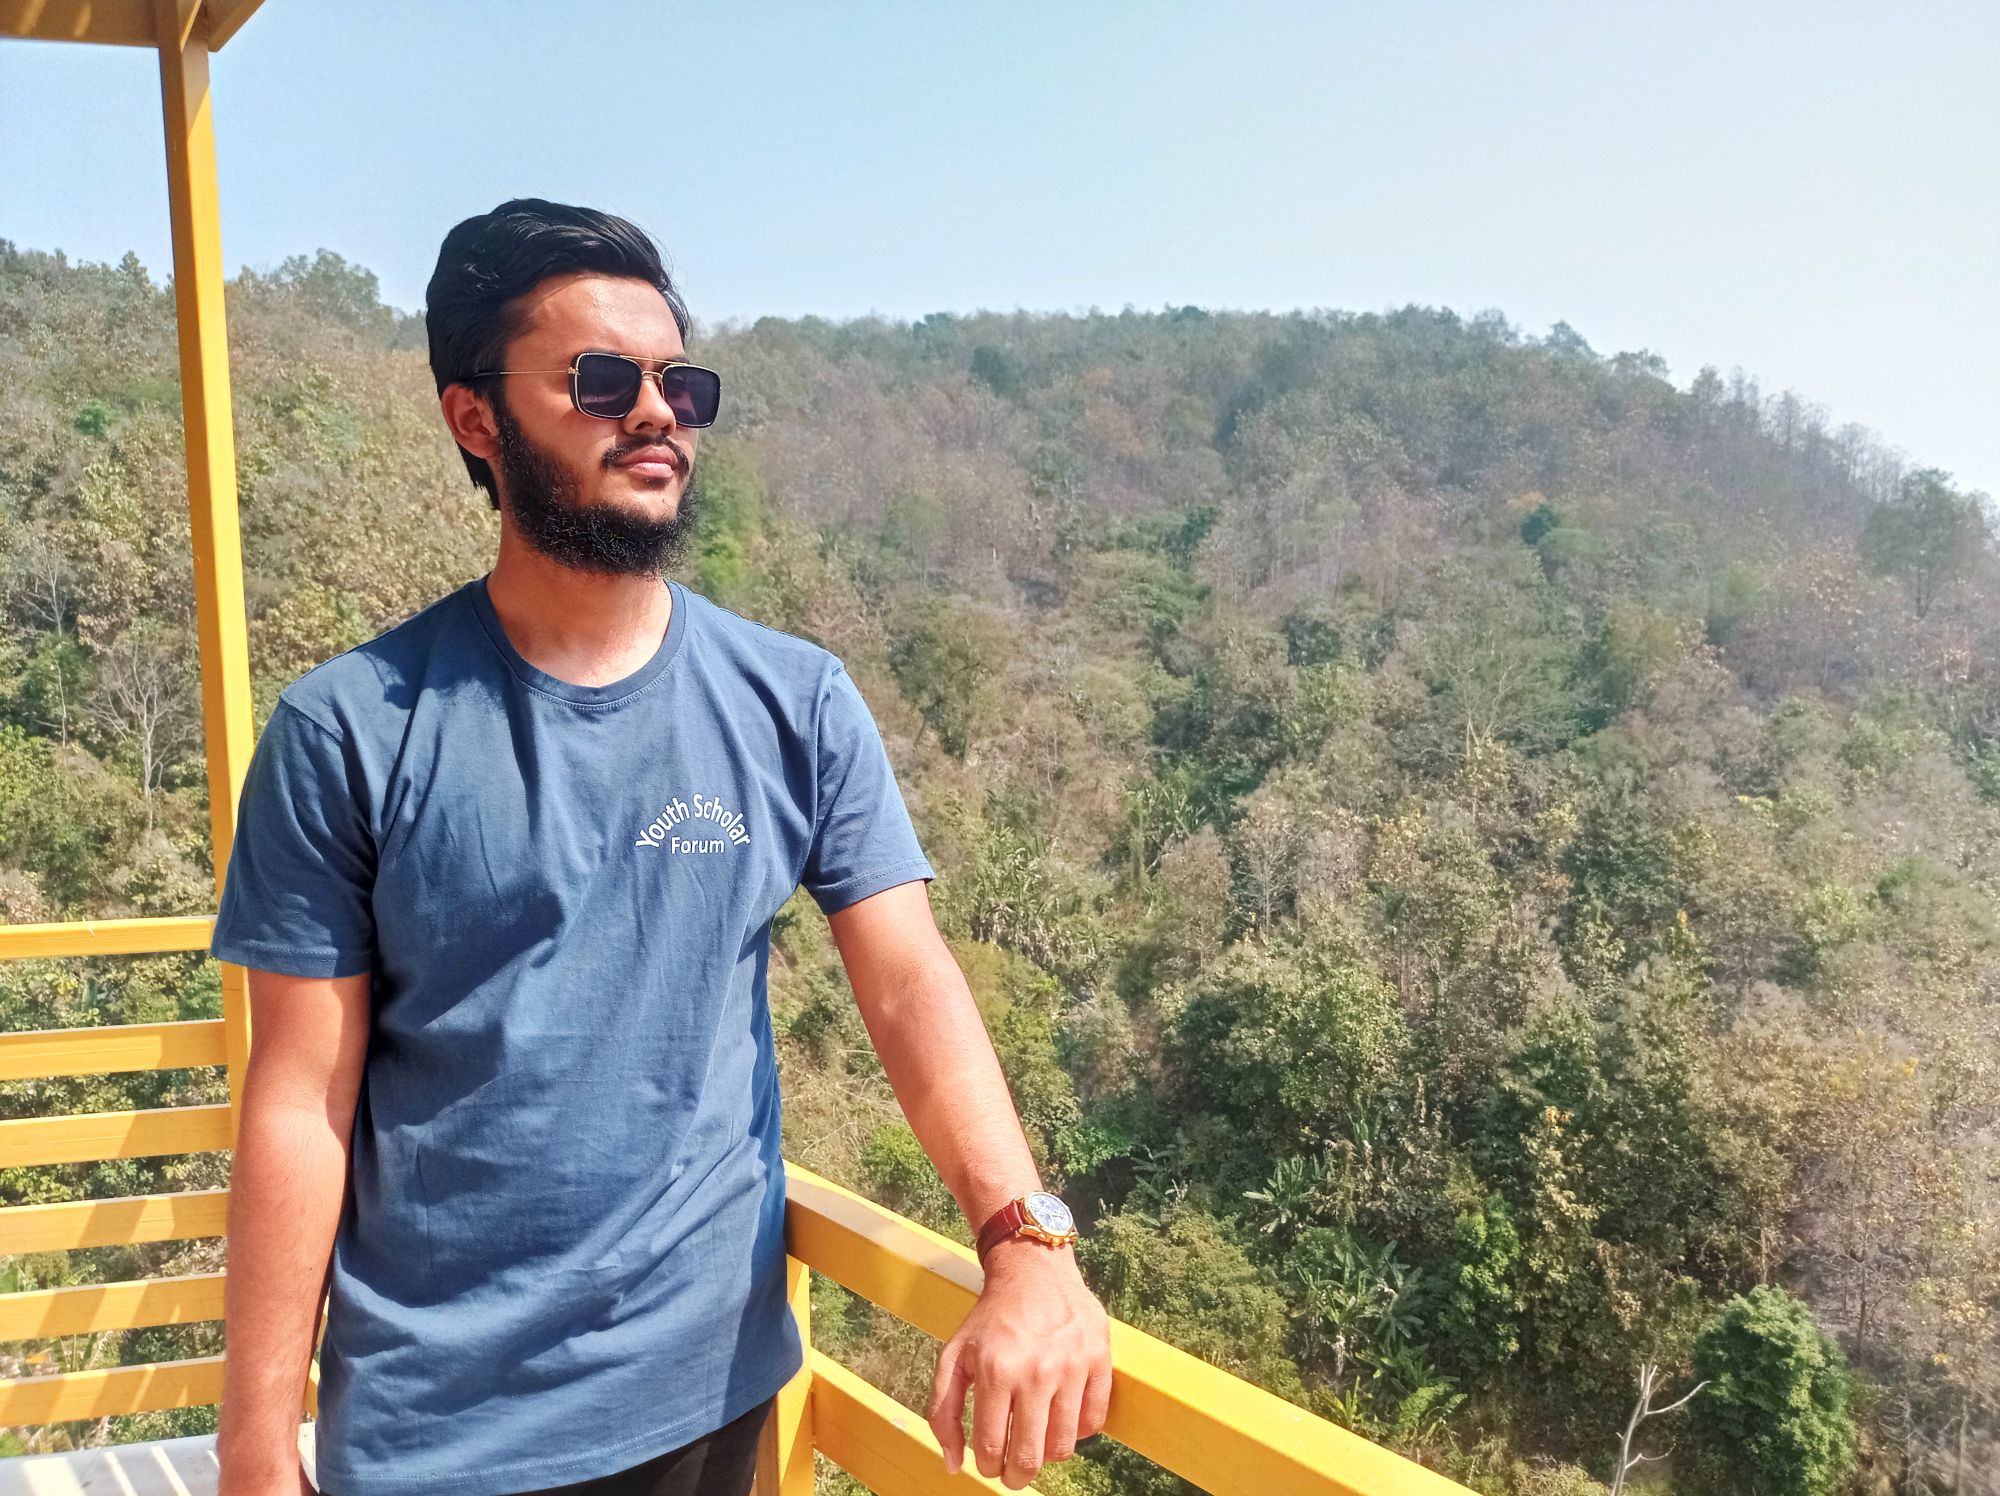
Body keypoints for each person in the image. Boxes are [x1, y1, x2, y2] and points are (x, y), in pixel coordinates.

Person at [210, 198, 1112, 1496]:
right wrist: (252, 1444)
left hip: (708, 1395)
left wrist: (1023, 1238)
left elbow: (909, 980)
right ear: (476, 419)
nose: (656, 413)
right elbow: (301, 1101)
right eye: (601, 381)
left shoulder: (793, 702)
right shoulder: (351, 731)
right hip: (440, 1430)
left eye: (679, 384)